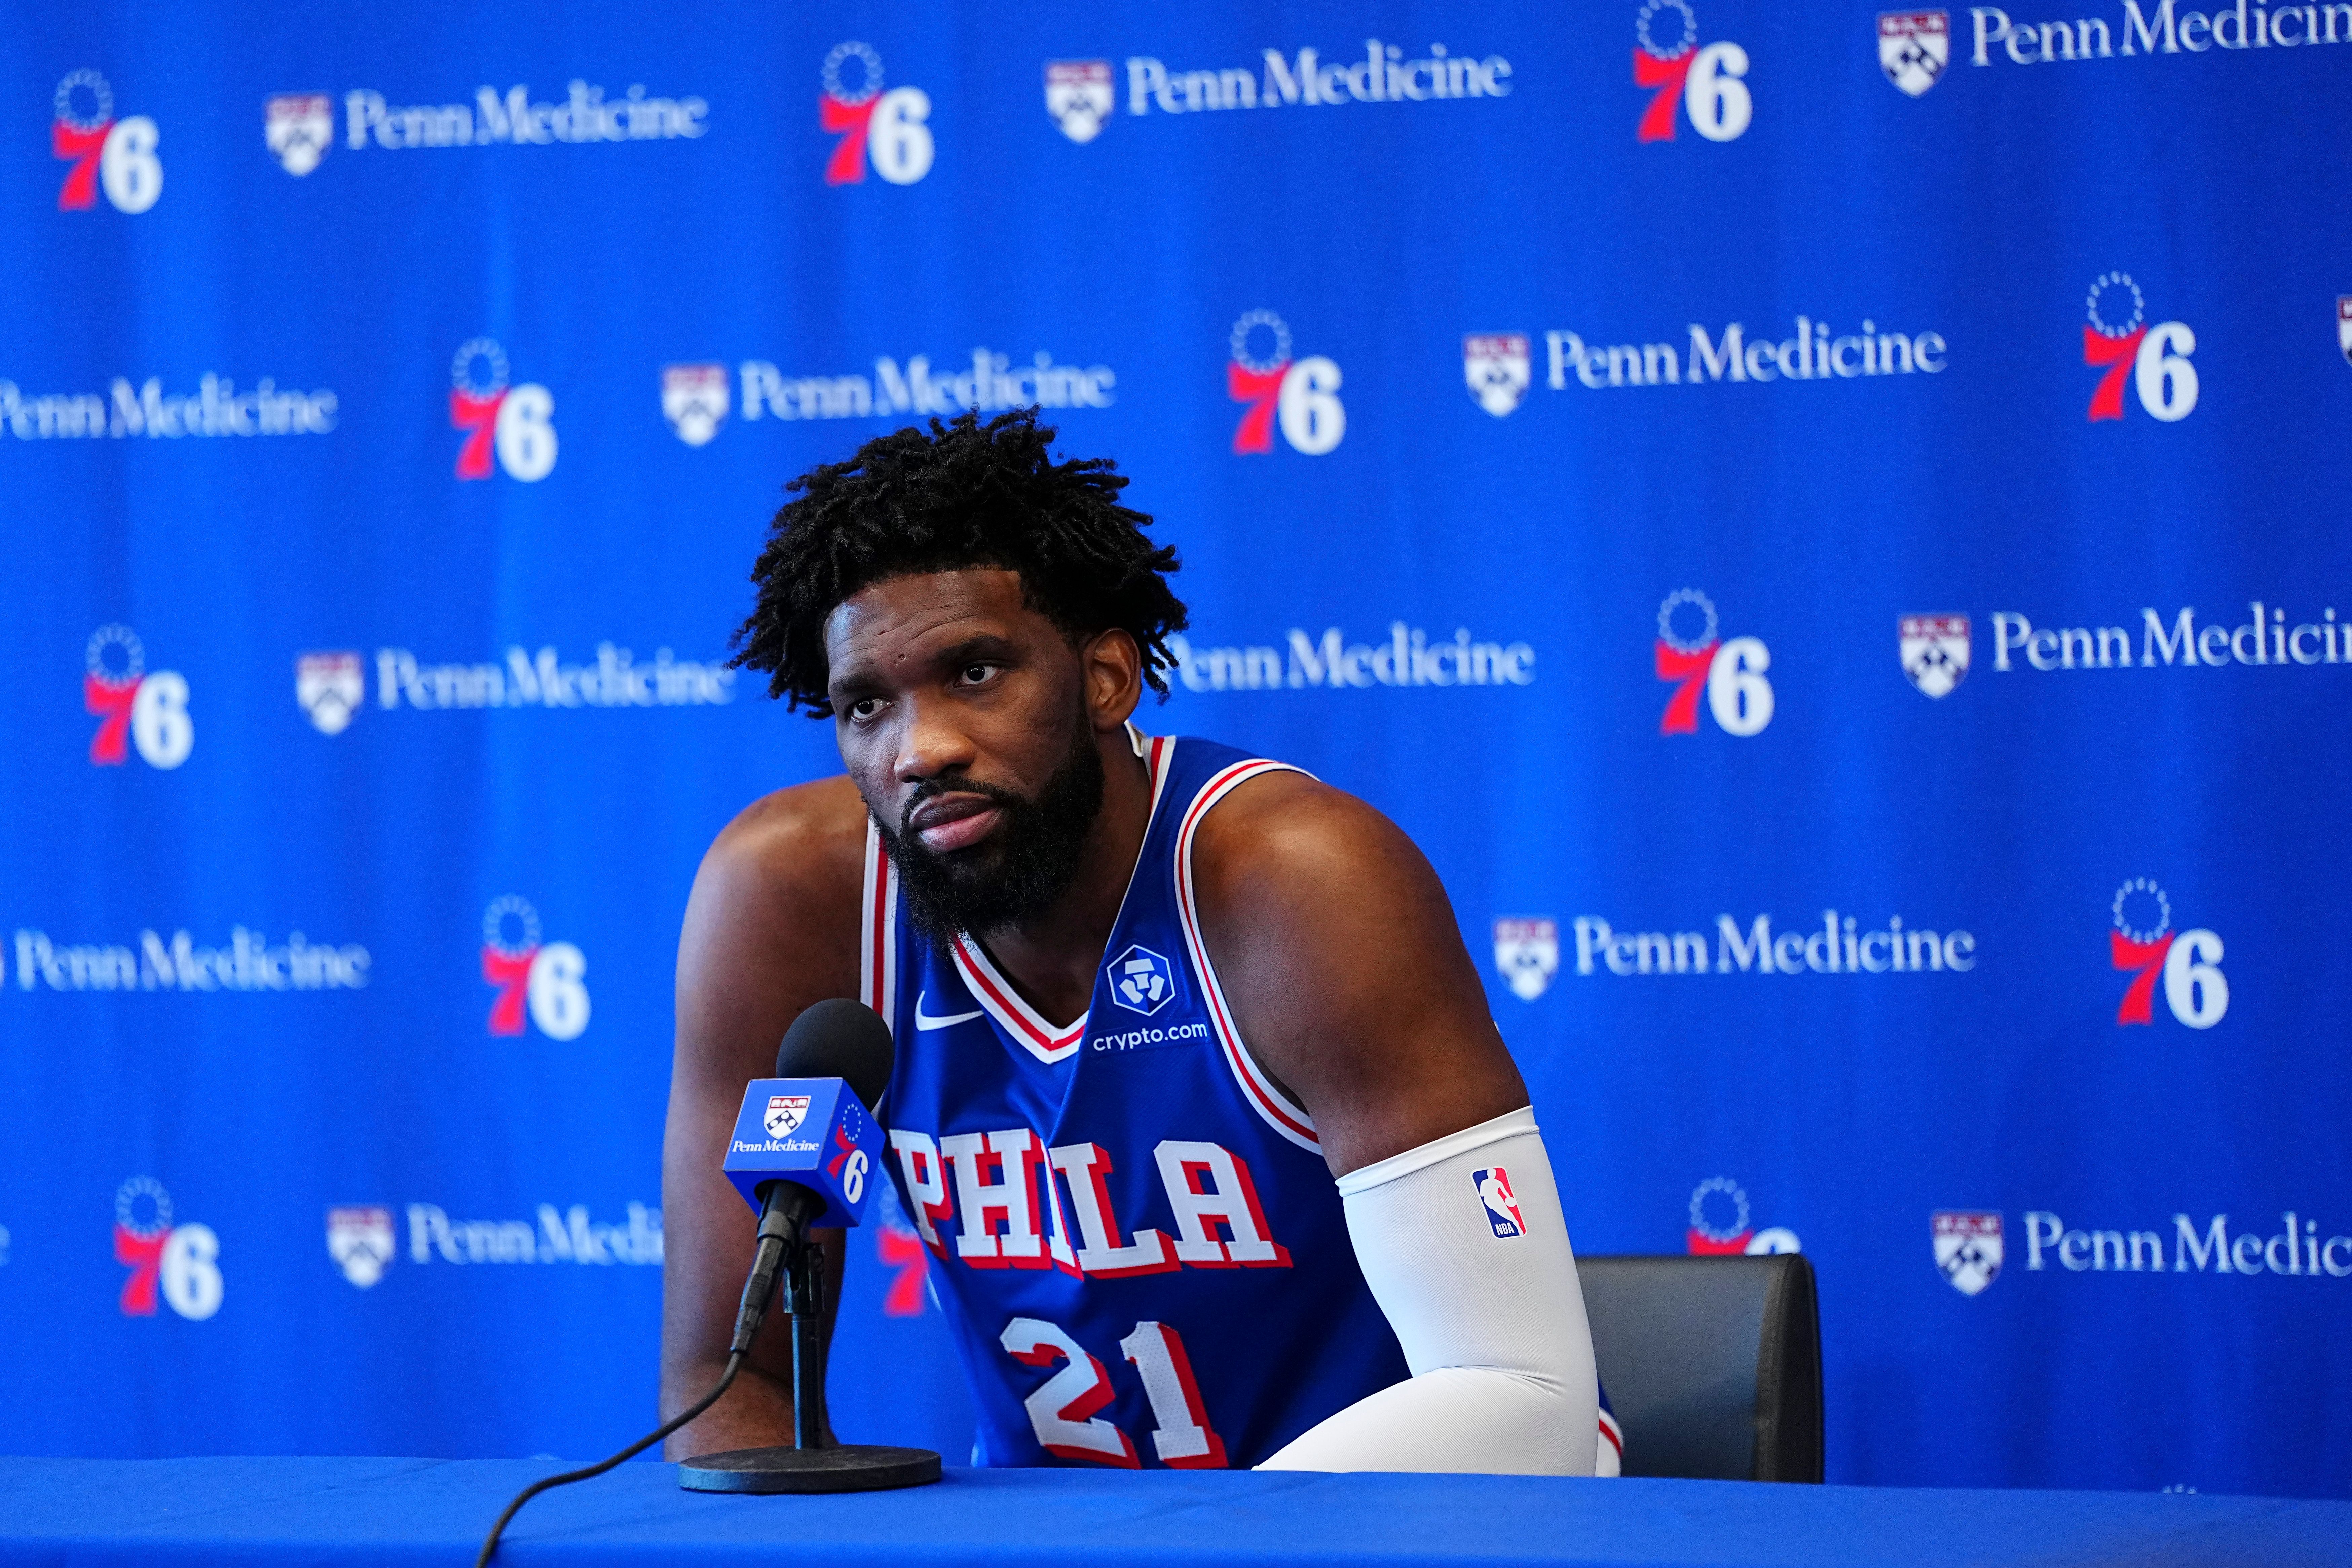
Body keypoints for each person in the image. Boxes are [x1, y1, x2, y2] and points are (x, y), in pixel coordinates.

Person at [661, 408, 1620, 1474]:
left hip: (1428, 1516)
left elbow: (1520, 1394)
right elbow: (727, 1383)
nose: (920, 749)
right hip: (1077, 1536)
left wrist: (1175, 1548)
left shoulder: (1295, 879)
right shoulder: (798, 903)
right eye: (867, 706)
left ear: (1107, 677)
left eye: (974, 673)